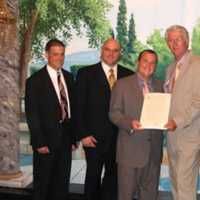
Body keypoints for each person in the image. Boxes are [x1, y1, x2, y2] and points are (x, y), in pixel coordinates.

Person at [75, 38, 133, 200]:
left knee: (113, 180)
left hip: (120, 139)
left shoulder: (129, 75)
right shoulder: (86, 74)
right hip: (93, 139)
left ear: (119, 53)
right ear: (101, 50)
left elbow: (132, 107)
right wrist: (83, 135)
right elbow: (78, 107)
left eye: (115, 50)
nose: (111, 54)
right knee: (92, 179)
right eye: (108, 49)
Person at [109, 49, 163, 200]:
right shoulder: (121, 85)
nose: (149, 65)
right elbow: (114, 113)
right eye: (145, 61)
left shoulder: (160, 85)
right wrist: (129, 123)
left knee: (150, 196)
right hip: (129, 152)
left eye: (153, 62)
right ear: (138, 62)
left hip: (153, 154)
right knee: (126, 196)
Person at [25, 39, 75, 200]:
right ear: (46, 55)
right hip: (45, 143)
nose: (59, 58)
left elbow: (71, 109)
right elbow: (32, 114)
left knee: (62, 184)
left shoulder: (68, 77)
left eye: (62, 54)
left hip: (66, 141)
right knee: (43, 185)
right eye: (55, 54)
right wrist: (39, 142)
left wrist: (73, 138)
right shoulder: (34, 81)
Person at [164, 25, 200, 200]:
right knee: (175, 182)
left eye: (177, 39)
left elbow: (198, 102)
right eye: (170, 40)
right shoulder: (170, 68)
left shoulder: (198, 64)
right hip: (172, 136)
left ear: (186, 41)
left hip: (190, 136)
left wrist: (177, 121)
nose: (173, 43)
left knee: (185, 185)